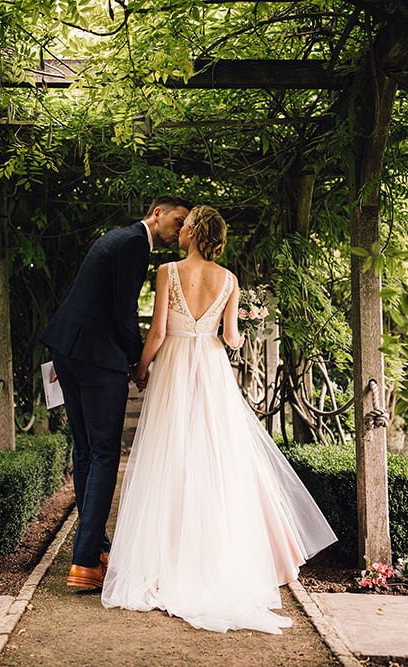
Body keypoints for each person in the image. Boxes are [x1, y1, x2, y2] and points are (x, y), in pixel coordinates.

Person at [101, 205, 337, 633]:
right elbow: (229, 338)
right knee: (214, 458)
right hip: (210, 370)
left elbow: (156, 332)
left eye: (186, 226)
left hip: (173, 364)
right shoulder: (229, 280)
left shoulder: (167, 272)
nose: (181, 230)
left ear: (192, 233)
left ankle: (166, 559)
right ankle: (212, 557)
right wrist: (245, 325)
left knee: (169, 455)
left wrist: (140, 369)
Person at [40, 196, 192, 590]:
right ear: (158, 213)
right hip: (95, 358)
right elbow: (123, 312)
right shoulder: (133, 244)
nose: (179, 233)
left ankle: (96, 544)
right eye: (177, 221)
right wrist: (136, 362)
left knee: (86, 451)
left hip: (69, 351)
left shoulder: (117, 238)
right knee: (106, 453)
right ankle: (85, 563)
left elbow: (90, 300)